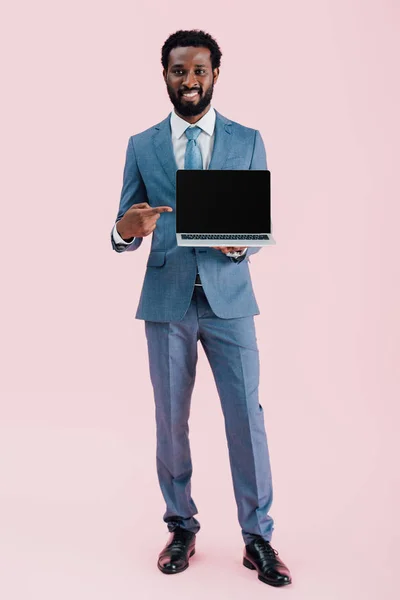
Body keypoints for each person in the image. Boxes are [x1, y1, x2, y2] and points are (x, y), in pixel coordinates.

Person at [111, 29, 292, 587]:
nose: (189, 81)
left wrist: (238, 242)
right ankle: (181, 526)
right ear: (164, 74)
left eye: (198, 70)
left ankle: (257, 536)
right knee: (171, 420)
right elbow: (122, 228)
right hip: (167, 300)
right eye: (178, 71)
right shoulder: (142, 145)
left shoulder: (247, 139)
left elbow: (257, 229)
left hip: (229, 299)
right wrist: (127, 229)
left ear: (215, 72)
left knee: (246, 416)